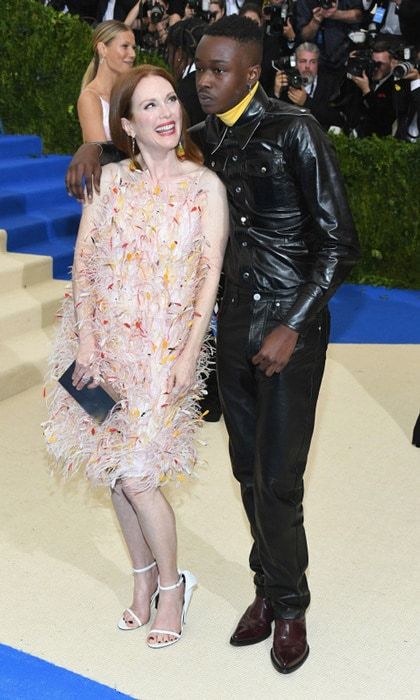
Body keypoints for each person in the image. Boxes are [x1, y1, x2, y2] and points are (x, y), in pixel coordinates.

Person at [65, 15, 360, 673]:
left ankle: (289, 605)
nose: (202, 82)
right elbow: (146, 151)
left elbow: (340, 245)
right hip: (231, 334)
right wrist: (95, 149)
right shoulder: (205, 140)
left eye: (220, 70)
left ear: (252, 73)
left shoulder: (297, 132)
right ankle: (267, 583)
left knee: (278, 481)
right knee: (245, 474)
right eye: (199, 68)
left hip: (289, 336)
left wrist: (295, 324)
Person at [45, 64, 229, 648]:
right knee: (115, 476)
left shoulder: (205, 187)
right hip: (103, 348)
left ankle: (174, 587)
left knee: (141, 475)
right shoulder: (110, 181)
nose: (166, 113)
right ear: (127, 123)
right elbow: (86, 263)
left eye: (170, 100)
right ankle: (142, 579)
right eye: (149, 106)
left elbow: (210, 276)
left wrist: (189, 353)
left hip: (164, 353)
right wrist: (89, 346)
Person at [78, 20, 136, 142]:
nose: (132, 54)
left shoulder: (132, 93)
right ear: (102, 49)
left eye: (133, 48)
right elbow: (100, 153)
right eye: (125, 46)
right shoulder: (90, 98)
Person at [272, 42, 346, 131]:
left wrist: (306, 102)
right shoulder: (286, 82)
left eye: (312, 62)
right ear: (295, 64)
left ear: (318, 64)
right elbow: (272, 120)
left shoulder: (330, 84)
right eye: (303, 61)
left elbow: (337, 119)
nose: (307, 66)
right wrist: (276, 93)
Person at [296, 0, 364, 75]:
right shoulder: (304, 2)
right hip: (316, 60)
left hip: (345, 54)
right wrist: (315, 21)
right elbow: (304, 36)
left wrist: (335, 14)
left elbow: (359, 16)